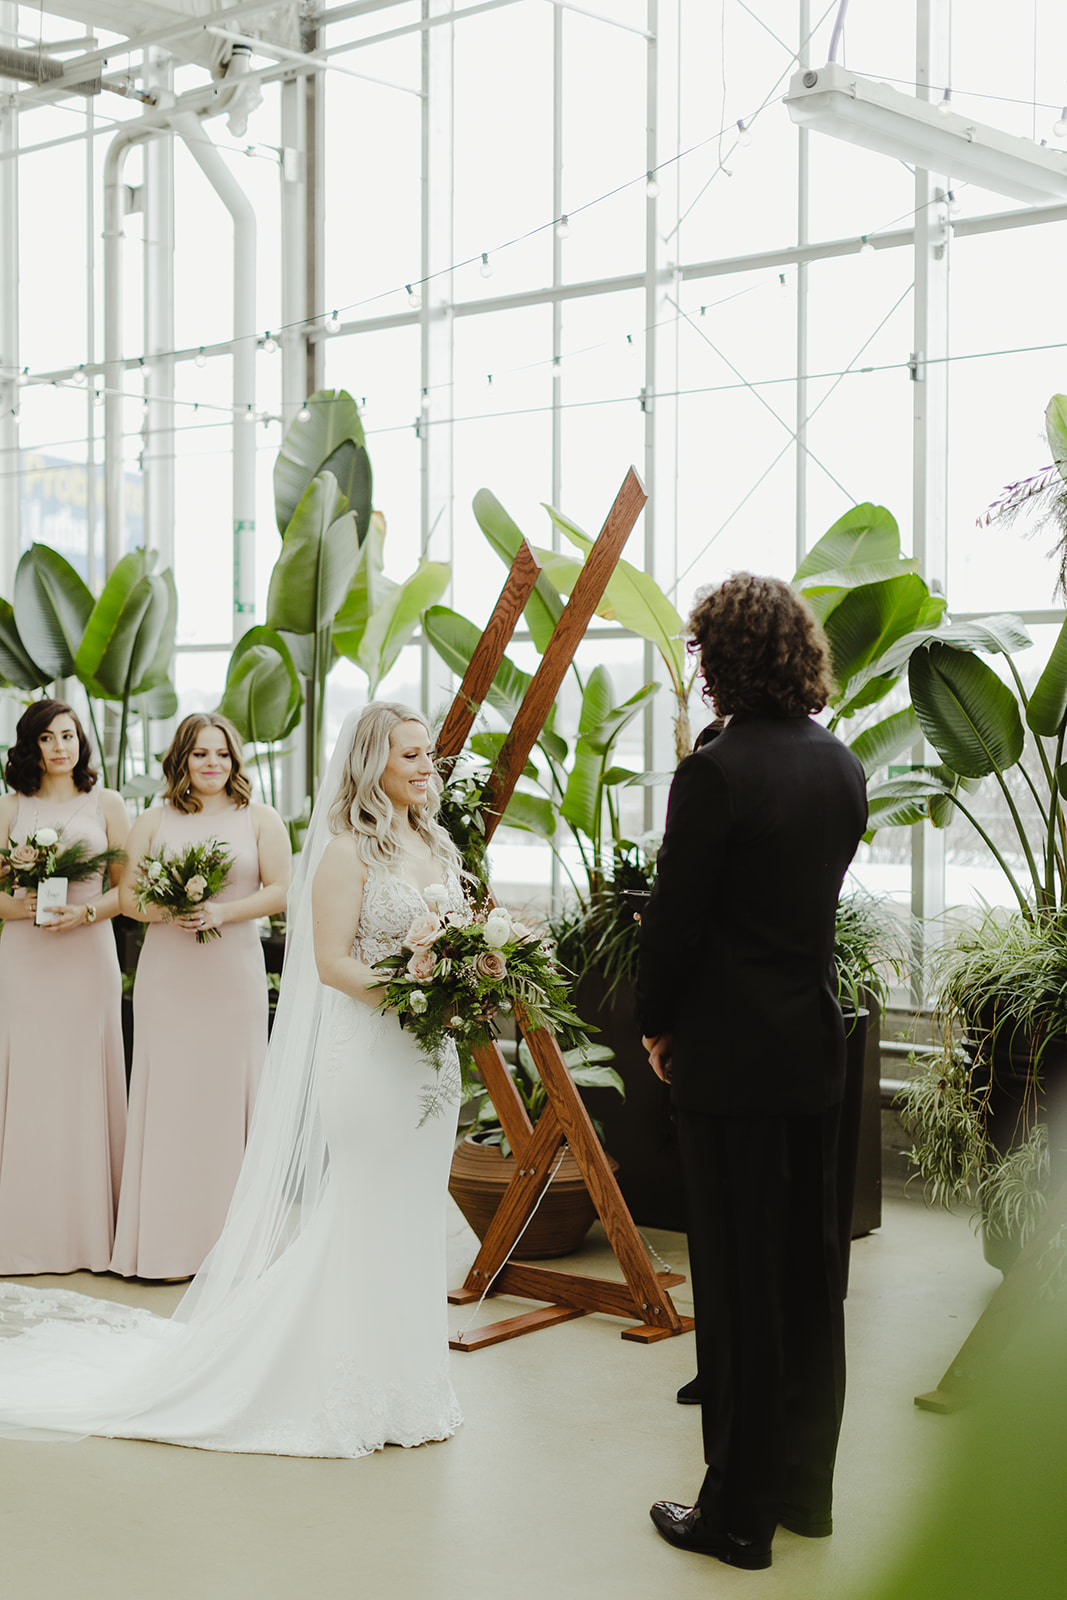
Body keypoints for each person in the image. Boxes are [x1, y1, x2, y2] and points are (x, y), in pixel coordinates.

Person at [0, 702, 464, 1459]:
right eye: (408, 754)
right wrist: (417, 994)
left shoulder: (430, 843)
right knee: (355, 1208)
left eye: (426, 755)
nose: (423, 766)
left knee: (408, 1214)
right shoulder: (344, 849)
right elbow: (331, 957)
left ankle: (409, 1379)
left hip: (422, 1056)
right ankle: (339, 1374)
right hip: (366, 1045)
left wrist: (463, 978)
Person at [636, 573, 867, 1571]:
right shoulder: (838, 763)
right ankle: (805, 1495)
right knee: (807, 1279)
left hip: (728, 1059)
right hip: (812, 1050)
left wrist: (652, 1023)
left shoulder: (716, 772)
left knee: (734, 1288)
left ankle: (734, 1514)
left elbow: (676, 924)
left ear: (716, 658)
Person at [111, 713, 291, 1279]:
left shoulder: (260, 818)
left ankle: (234, 1249)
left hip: (231, 975)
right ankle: (164, 1245)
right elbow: (128, 896)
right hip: (168, 979)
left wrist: (222, 911)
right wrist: (172, 911)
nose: (211, 764)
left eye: (221, 753)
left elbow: (282, 890)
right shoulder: (152, 819)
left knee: (229, 1095)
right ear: (181, 761)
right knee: (171, 1098)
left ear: (234, 760)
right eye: (199, 754)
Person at [0, 700, 129, 1274]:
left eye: (69, 736)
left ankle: (89, 1232)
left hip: (87, 953)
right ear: (32, 746)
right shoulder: (9, 808)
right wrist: (21, 905)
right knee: (28, 1079)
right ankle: (23, 1228)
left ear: (83, 743)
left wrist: (85, 914)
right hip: (26, 960)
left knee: (85, 1080)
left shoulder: (108, 804)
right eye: (48, 738)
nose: (60, 747)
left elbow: (129, 888)